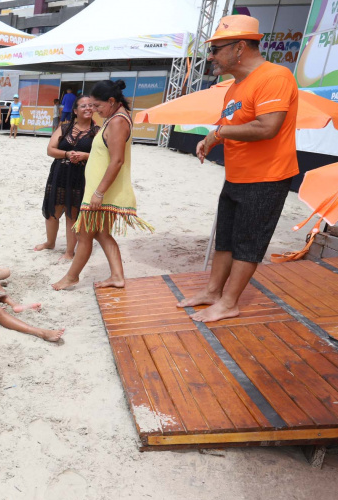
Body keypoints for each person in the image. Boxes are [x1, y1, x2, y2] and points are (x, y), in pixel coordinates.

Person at [177, 15, 299, 323]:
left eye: (216, 48)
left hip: (267, 177)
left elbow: (267, 127)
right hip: (236, 176)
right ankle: (213, 292)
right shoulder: (234, 88)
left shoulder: (275, 76)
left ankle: (229, 302)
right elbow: (231, 125)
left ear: (240, 47)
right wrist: (211, 139)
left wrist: (219, 134)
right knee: (227, 239)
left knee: (248, 243)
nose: (212, 56)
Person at [53, 80, 153, 291]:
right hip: (101, 189)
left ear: (111, 101)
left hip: (101, 191)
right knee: (101, 233)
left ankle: (72, 277)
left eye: (98, 106)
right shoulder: (116, 118)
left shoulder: (117, 122)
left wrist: (99, 192)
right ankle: (117, 276)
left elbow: (117, 160)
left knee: (86, 234)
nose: (95, 111)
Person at [36, 95, 99, 262]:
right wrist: (66, 153)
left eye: (91, 106)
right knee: (52, 210)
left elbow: (102, 156)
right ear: (75, 110)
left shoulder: (97, 132)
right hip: (59, 173)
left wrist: (85, 155)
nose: (88, 108)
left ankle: (70, 251)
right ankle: (50, 243)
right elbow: (50, 150)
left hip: (81, 175)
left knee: (72, 212)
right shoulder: (64, 128)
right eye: (84, 106)